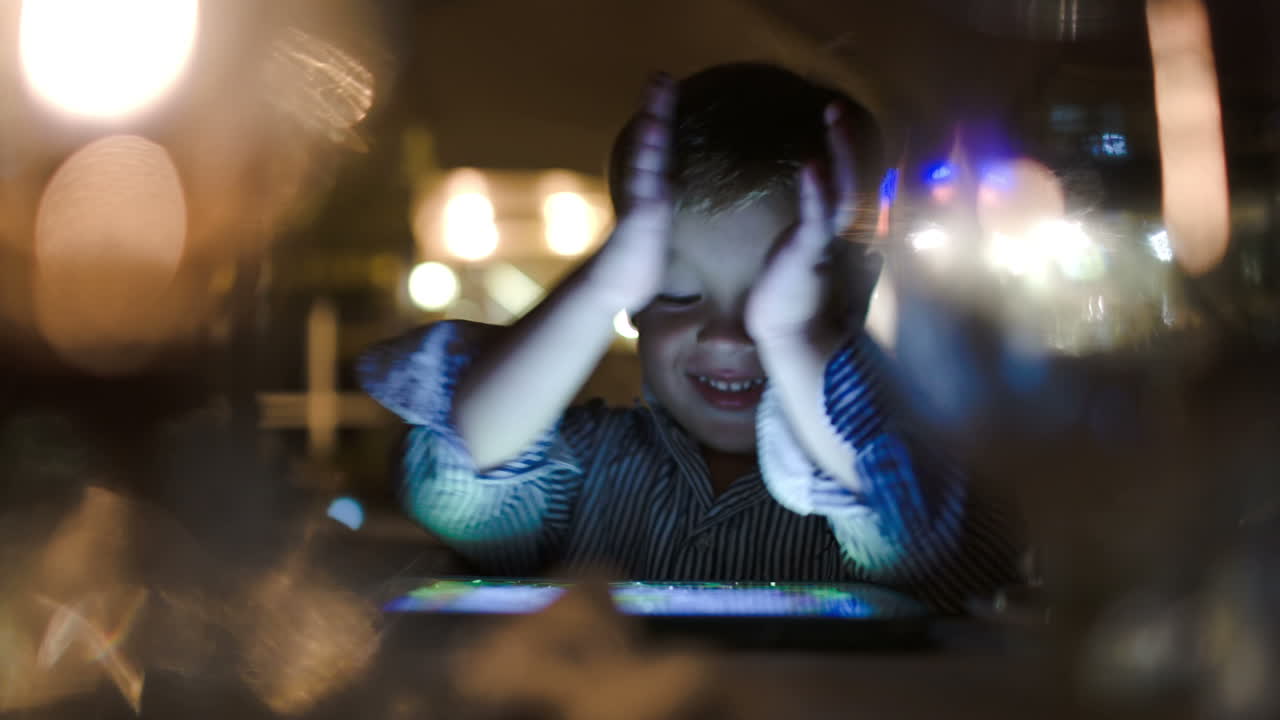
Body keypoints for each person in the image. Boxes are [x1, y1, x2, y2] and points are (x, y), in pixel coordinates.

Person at [358, 63, 1021, 612]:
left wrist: (794, 342)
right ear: (634, 302)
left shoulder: (935, 469)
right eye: (677, 290)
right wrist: (599, 286)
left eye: (779, 301)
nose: (731, 335)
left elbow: (913, 531)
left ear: (857, 291)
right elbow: (457, 480)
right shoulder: (584, 469)